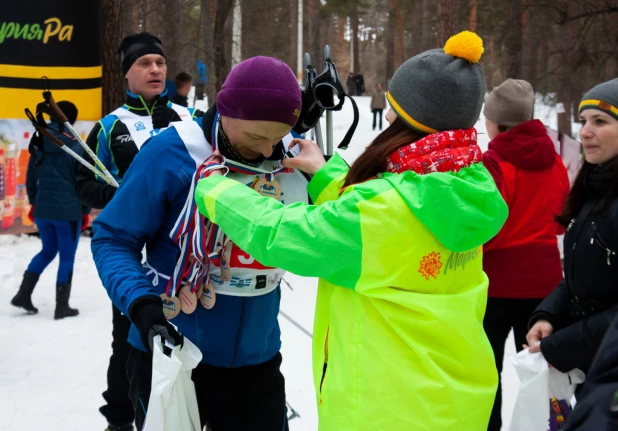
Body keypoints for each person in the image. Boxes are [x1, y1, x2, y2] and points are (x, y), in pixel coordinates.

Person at [194, 31, 508, 430]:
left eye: (394, 113)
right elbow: (385, 220)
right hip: (456, 396)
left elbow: (283, 233)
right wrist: (326, 173)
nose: (387, 120)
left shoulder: (383, 214)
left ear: (414, 123)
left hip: (388, 408)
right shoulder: (464, 184)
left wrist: (217, 191)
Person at [91, 56, 307, 431]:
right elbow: (112, 238)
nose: (269, 149)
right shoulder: (173, 151)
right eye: (257, 137)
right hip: (173, 350)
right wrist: (141, 306)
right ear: (225, 111)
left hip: (257, 359)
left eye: (277, 137)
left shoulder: (293, 154)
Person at [75, 32, 200, 431]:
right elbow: (83, 182)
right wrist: (121, 194)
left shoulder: (189, 119)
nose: (155, 70)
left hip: (179, 250)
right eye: (145, 64)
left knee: (189, 333)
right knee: (130, 338)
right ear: (127, 73)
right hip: (132, 251)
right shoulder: (111, 126)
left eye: (160, 63)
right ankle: (120, 417)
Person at [481, 78, 570, 431]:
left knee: (486, 373)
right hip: (546, 289)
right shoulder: (556, 160)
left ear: (497, 124)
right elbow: (562, 223)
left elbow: (484, 228)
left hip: (495, 285)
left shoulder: (493, 163)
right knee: (543, 377)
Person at [526, 78, 618, 393]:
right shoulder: (595, 188)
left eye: (600, 121)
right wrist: (550, 312)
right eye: (583, 121)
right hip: (595, 369)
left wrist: (565, 345)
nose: (584, 131)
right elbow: (584, 274)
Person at [10, 101, 88, 320]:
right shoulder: (76, 144)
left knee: (47, 250)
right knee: (66, 257)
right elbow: (83, 181)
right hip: (68, 212)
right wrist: (84, 210)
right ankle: (62, 306)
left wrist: (35, 203)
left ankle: (23, 295)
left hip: (43, 209)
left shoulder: (39, 139)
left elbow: (30, 176)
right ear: (71, 119)